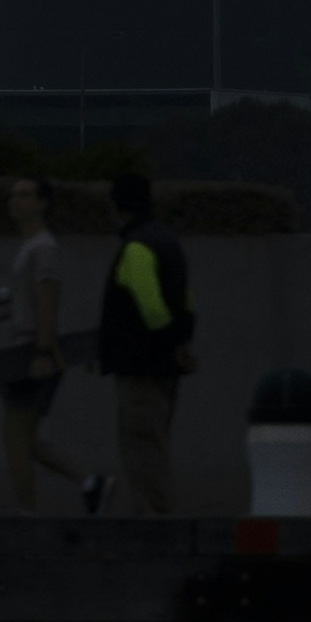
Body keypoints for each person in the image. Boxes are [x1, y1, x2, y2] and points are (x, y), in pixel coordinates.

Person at [0, 176, 98, 514]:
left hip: (31, 351)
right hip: (23, 350)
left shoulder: (44, 248)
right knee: (24, 440)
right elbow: (24, 303)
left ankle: (27, 516)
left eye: (26, 195)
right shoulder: (29, 248)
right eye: (13, 195)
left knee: (15, 438)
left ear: (43, 203)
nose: (16, 201)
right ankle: (90, 482)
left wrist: (42, 353)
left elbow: (48, 301)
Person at [99, 170, 196, 514]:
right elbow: (186, 300)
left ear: (117, 206)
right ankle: (157, 520)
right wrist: (182, 344)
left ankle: (156, 524)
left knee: (141, 448)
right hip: (166, 367)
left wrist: (167, 341)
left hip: (139, 366)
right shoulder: (168, 242)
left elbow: (151, 308)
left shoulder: (137, 247)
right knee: (155, 442)